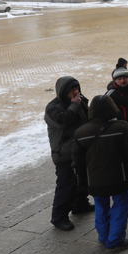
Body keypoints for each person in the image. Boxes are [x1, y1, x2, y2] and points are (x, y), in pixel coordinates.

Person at [73, 95, 128, 252]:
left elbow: (78, 162)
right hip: (119, 178)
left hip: (95, 182)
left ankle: (104, 236)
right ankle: (115, 239)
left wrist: (82, 182)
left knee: (101, 207)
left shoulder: (81, 132)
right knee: (121, 206)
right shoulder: (122, 127)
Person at [45, 76, 95, 231]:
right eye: (71, 89)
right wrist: (74, 106)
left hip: (80, 148)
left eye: (76, 88)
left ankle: (79, 204)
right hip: (63, 152)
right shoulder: (53, 108)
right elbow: (61, 121)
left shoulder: (80, 100)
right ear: (63, 92)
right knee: (66, 184)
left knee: (83, 179)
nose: (75, 92)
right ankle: (59, 217)